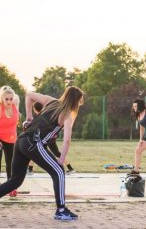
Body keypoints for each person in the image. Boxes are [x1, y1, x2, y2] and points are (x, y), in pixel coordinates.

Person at [0, 86, 84, 221]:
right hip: (33, 143)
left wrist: (29, 116)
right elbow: (67, 140)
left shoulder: (51, 101)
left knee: (15, 181)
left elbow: (29, 95)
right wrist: (61, 160)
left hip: (20, 140)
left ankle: (61, 209)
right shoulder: (67, 114)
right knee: (59, 171)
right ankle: (61, 210)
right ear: (75, 101)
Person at [26, 102, 76, 175]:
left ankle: (30, 169)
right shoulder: (47, 114)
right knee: (56, 153)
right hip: (50, 138)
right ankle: (70, 167)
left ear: (34, 109)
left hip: (46, 138)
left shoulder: (40, 117)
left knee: (36, 151)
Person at [0, 86, 20, 196]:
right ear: (2, 99)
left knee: (11, 163)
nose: (9, 101)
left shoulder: (15, 104)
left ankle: (10, 187)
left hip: (11, 138)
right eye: (6, 99)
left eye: (10, 99)